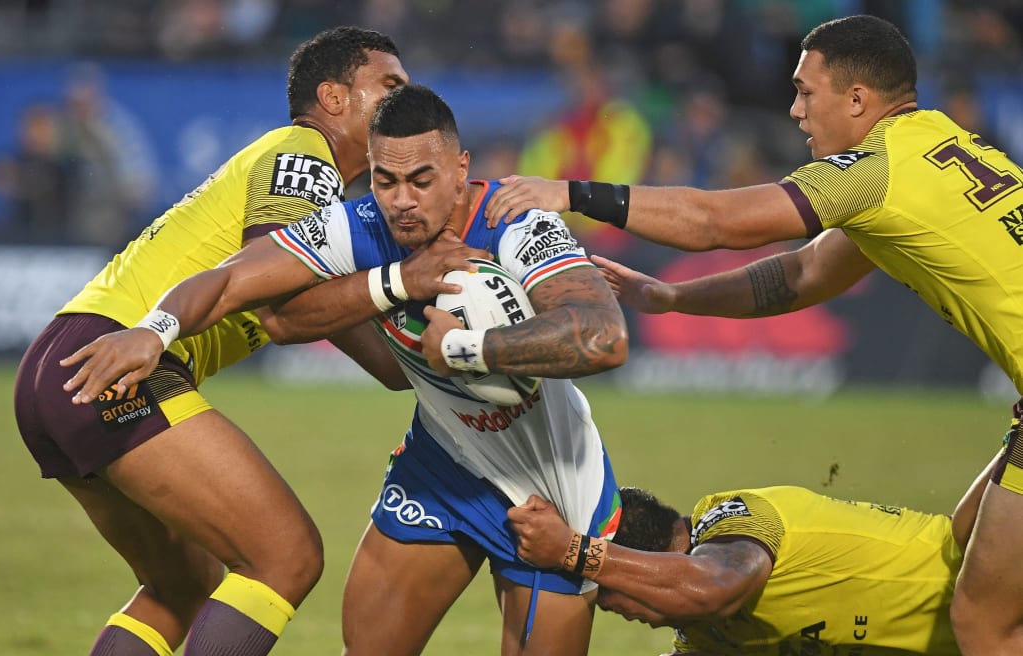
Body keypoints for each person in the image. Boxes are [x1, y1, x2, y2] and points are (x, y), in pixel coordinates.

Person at [484, 14, 1023, 654]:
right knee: (968, 553)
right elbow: (804, 273)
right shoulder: (938, 144)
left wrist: (570, 192)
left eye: (805, 91)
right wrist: (675, 296)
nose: (794, 110)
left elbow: (717, 219)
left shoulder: (871, 169)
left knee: (986, 623)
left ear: (857, 100)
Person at [60, 83, 629, 656]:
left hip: (552, 484)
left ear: (461, 170)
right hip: (445, 465)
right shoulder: (358, 226)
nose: (402, 200)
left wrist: (467, 349)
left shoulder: (517, 224)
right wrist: (153, 330)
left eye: (421, 180)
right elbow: (234, 278)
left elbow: (604, 337)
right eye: (386, 180)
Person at [13, 26, 414, 656]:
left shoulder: (316, 184)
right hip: (121, 358)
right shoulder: (308, 157)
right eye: (389, 85)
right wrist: (404, 291)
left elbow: (336, 330)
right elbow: (282, 295)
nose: (403, 101)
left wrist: (429, 358)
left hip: (66, 363)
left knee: (181, 586)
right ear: (333, 97)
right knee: (285, 556)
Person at [508, 459, 995, 655]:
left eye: (611, 596)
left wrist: (575, 554)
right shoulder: (703, 637)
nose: (615, 609)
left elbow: (713, 587)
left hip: (995, 581)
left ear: (644, 560)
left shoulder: (733, 515)